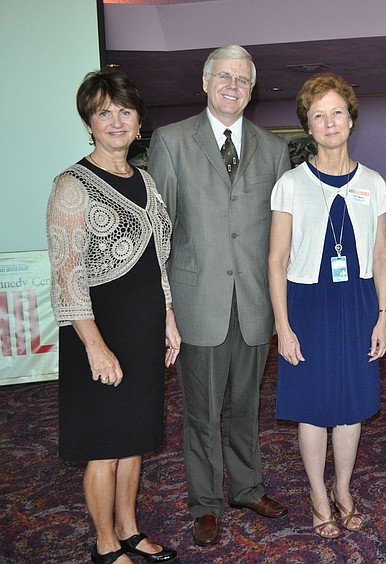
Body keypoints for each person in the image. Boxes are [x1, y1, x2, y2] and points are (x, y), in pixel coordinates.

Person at [146, 45, 290, 547]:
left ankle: (247, 487)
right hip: (196, 301)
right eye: (224, 77)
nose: (233, 86)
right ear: (205, 83)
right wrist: (163, 306)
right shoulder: (170, 141)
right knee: (202, 411)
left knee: (246, 405)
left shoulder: (274, 150)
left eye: (243, 80)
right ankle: (204, 502)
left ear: (253, 90)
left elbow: (281, 235)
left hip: (254, 303)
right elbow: (158, 232)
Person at [46, 69, 179, 564]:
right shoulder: (71, 185)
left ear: (139, 120)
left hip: (144, 328)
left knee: (135, 438)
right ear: (89, 122)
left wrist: (168, 316)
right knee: (104, 443)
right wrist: (95, 345)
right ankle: (105, 544)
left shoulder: (144, 180)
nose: (117, 121)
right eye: (105, 112)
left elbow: (156, 260)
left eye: (125, 111)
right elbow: (67, 275)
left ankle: (129, 529)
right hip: (98, 332)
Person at [268, 73, 386, 538]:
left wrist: (382, 315)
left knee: (352, 405)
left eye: (337, 111)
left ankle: (343, 488)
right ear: (308, 125)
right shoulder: (290, 184)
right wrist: (283, 325)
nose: (329, 122)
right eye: (318, 115)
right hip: (307, 303)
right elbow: (276, 260)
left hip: (358, 302)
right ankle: (318, 497)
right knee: (312, 405)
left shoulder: (373, 184)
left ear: (351, 118)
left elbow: (382, 256)